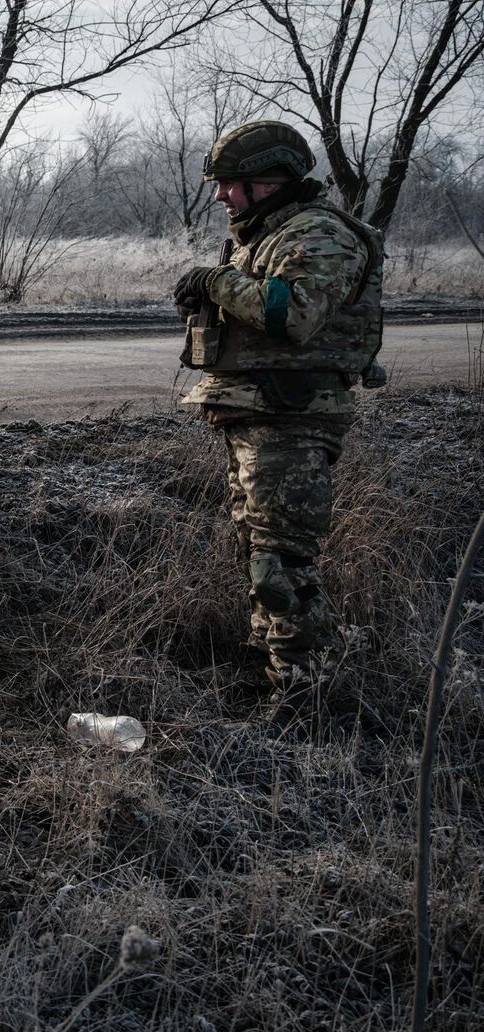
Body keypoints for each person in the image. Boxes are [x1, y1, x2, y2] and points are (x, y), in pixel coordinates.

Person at [172, 121, 385, 724]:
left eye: (230, 186)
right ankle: (278, 673)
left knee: (280, 565)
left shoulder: (318, 234)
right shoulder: (267, 233)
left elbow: (292, 313)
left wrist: (217, 282)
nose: (221, 198)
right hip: (258, 414)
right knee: (257, 552)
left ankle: (305, 696)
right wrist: (216, 295)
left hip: (292, 420)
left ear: (269, 182)